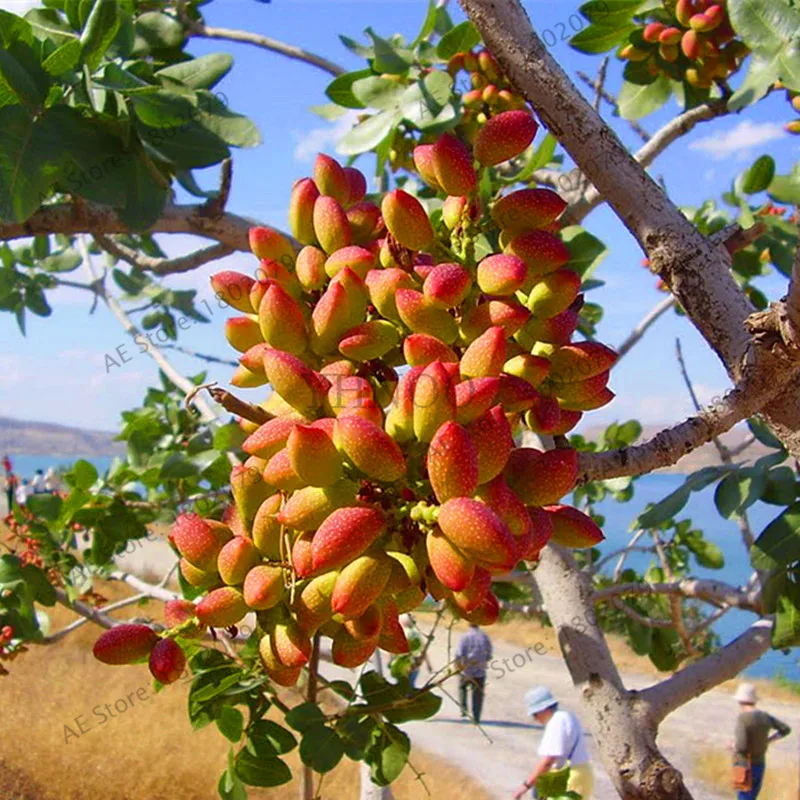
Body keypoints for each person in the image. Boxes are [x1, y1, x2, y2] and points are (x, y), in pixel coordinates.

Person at [514, 686, 593, 800]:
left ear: (543, 709)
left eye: (535, 714)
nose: (535, 719)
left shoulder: (557, 722)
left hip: (567, 779)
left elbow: (548, 761)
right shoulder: (566, 716)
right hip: (580, 775)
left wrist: (526, 785)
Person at [732, 682, 791, 799]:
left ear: (740, 700)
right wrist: (769, 740)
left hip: (744, 764)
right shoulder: (764, 716)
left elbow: (742, 746)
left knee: (744, 796)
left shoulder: (743, 718)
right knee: (752, 796)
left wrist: (733, 746)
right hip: (760, 763)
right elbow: (785, 729)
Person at [455, 623, 492, 723]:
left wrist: (457, 666)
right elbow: (489, 654)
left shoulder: (464, 637)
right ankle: (476, 716)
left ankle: (463, 709)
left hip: (466, 670)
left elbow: (459, 654)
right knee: (478, 693)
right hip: (480, 670)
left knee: (462, 688)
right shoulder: (484, 637)